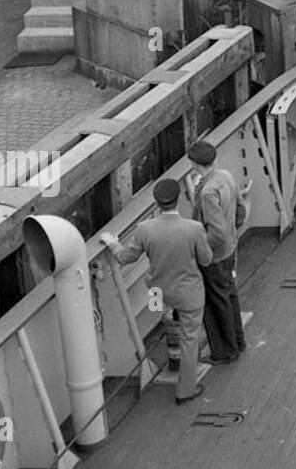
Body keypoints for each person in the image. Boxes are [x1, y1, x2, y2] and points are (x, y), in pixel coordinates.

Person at [100, 179, 212, 404]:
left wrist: (112, 243)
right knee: (189, 339)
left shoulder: (144, 229)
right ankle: (186, 390)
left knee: (164, 314)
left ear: (157, 202)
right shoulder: (194, 229)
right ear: (178, 199)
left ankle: (166, 334)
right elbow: (207, 260)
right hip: (188, 294)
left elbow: (125, 257)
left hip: (157, 293)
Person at [186, 141, 246, 365]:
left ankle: (225, 351)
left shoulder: (208, 192)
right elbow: (240, 210)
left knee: (215, 303)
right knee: (230, 295)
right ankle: (238, 341)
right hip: (229, 250)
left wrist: (201, 250)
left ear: (194, 164)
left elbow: (217, 233)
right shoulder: (226, 176)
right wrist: (234, 232)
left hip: (215, 257)